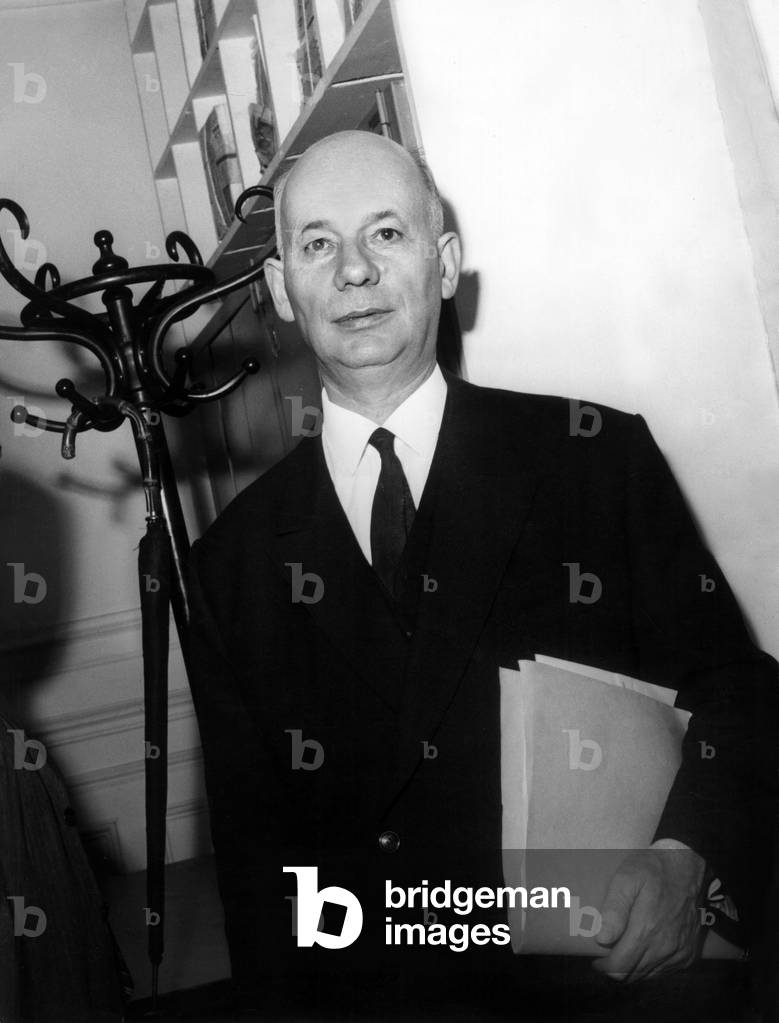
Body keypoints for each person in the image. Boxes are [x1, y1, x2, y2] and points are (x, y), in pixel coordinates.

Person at [187, 130, 777, 1020]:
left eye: (385, 233)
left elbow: (737, 687)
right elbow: (259, 873)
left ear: (446, 261)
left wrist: (685, 855)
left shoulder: (590, 457)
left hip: (613, 990)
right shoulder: (230, 563)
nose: (352, 271)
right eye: (316, 243)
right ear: (279, 290)